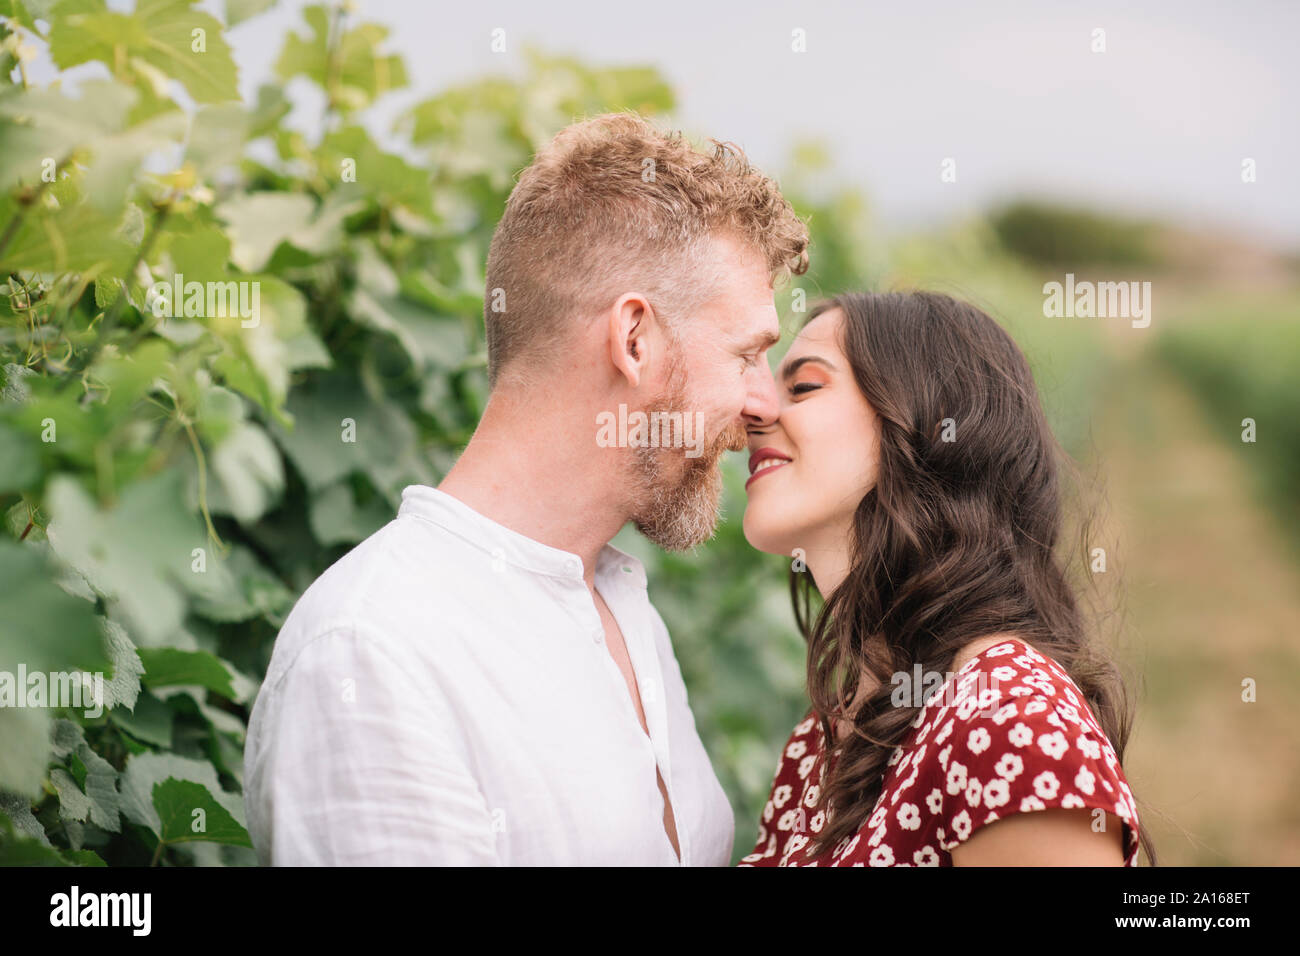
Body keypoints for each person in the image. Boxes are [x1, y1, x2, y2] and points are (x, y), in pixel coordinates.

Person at [243, 111, 810, 864]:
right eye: (745, 355)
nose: (765, 404)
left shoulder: (623, 606)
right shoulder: (373, 655)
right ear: (633, 340)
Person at [738, 291, 1155, 866]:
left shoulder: (1010, 718)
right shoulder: (825, 738)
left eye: (804, 386)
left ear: (927, 423)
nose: (755, 411)